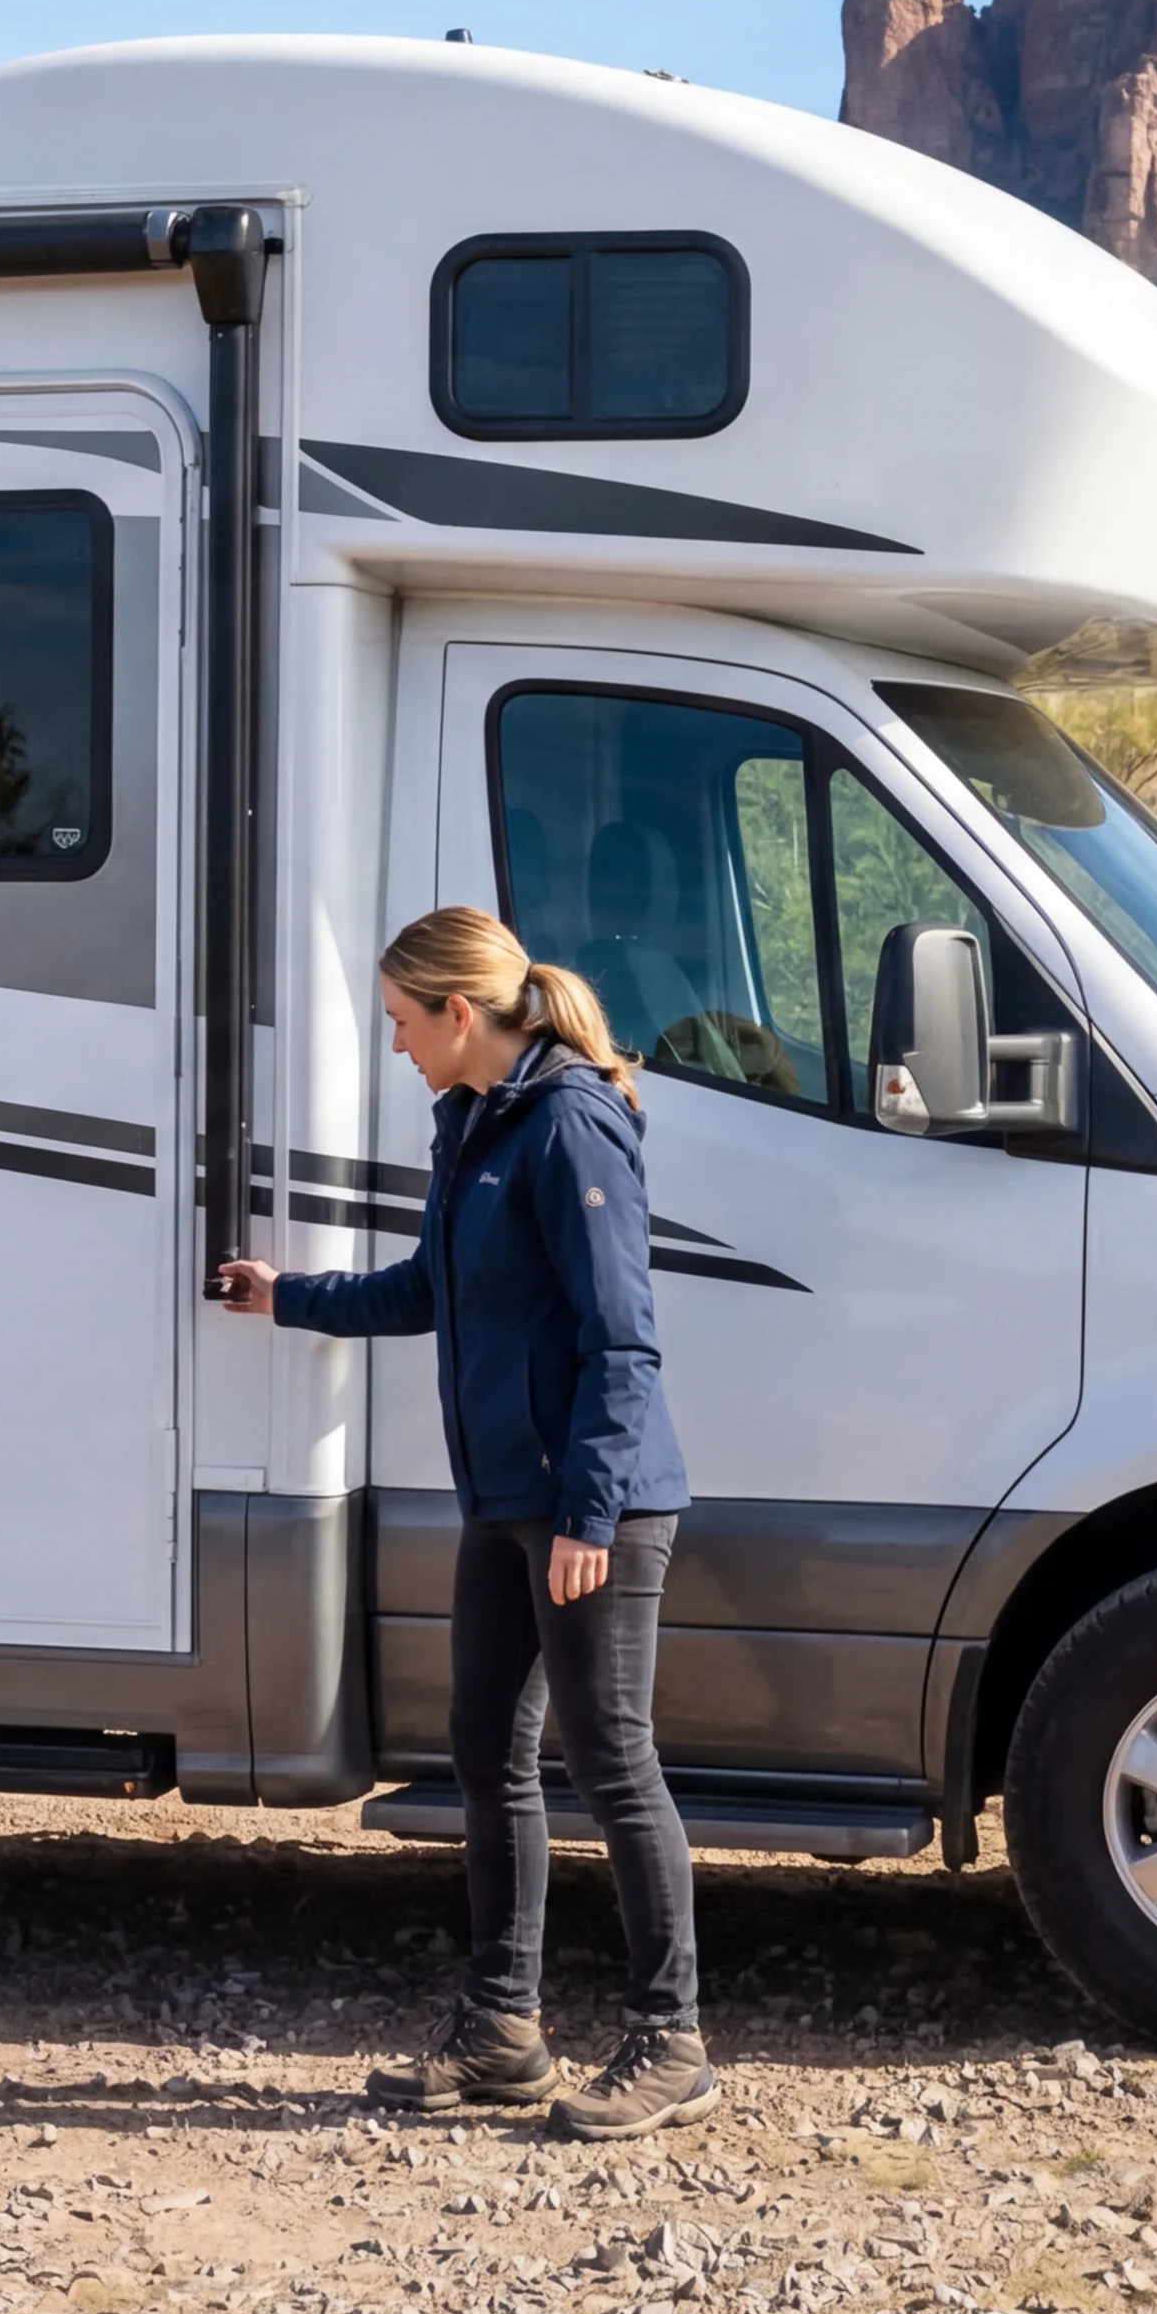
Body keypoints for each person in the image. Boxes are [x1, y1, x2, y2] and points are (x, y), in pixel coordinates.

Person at [215, 905, 710, 2139]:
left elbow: (621, 1341)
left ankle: (671, 2040)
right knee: (484, 1755)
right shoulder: (474, 1125)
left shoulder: (569, 1123)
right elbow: (430, 1290)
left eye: (400, 1023)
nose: (395, 1048)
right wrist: (291, 1301)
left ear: (457, 1012)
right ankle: (502, 2034)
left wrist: (587, 1515)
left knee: (612, 1760)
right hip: (504, 1501)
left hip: (591, 1508)